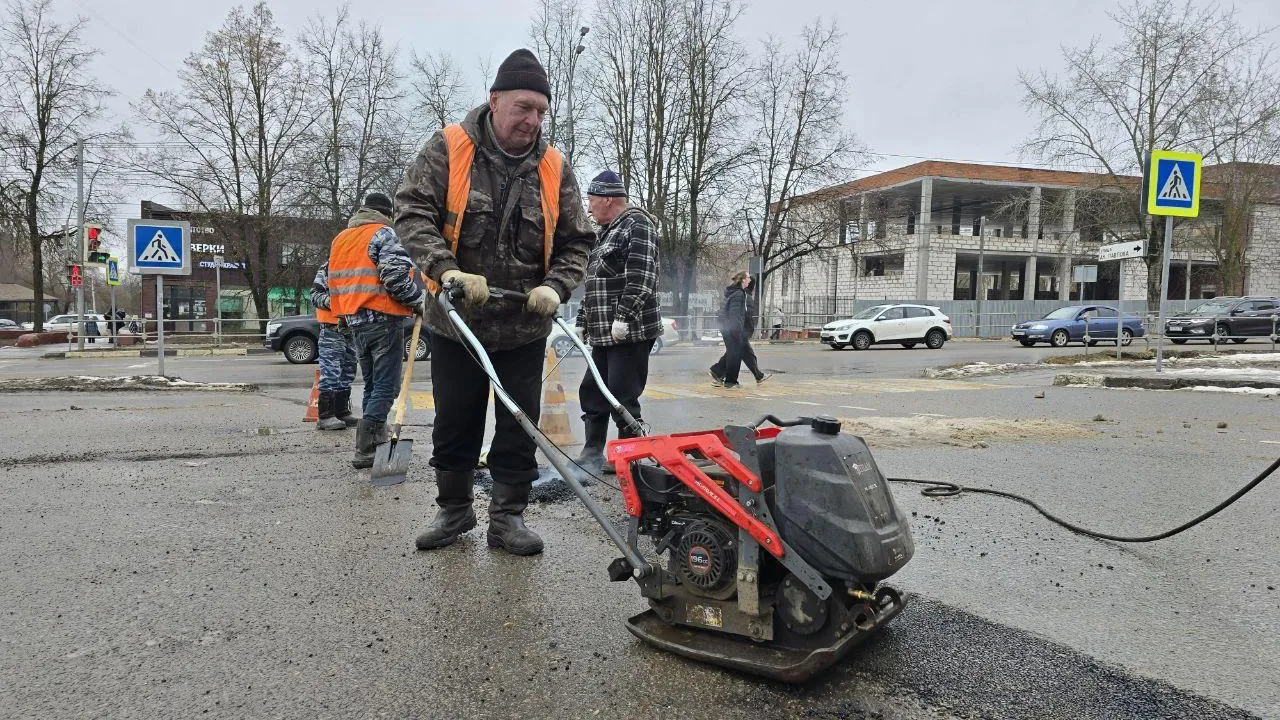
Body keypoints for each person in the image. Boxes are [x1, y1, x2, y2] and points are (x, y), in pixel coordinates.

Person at [396, 49, 595, 557]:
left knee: (518, 425)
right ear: (495, 100)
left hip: (524, 327)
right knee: (456, 418)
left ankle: (507, 518)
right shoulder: (450, 147)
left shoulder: (554, 167)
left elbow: (578, 241)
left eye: (541, 111)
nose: (532, 120)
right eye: (523, 107)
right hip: (457, 323)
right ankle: (455, 509)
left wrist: (557, 285)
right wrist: (446, 270)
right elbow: (412, 212)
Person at [327, 192, 425, 468]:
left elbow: (333, 283)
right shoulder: (383, 234)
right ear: (387, 213)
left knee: (372, 384)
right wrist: (418, 302)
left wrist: (344, 316)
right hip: (383, 319)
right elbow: (394, 278)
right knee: (386, 386)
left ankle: (375, 439)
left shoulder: (341, 240)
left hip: (355, 321)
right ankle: (367, 448)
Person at [573, 170, 661, 476]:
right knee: (593, 391)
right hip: (602, 333)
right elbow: (595, 282)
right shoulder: (605, 232)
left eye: (592, 200)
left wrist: (624, 316)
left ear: (608, 198)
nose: (589, 207)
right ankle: (592, 452)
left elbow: (642, 276)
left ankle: (629, 456)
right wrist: (584, 319)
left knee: (622, 394)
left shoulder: (638, 224)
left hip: (629, 331)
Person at [310, 261, 359, 431]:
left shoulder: (356, 266)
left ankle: (341, 412)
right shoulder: (329, 267)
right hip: (332, 327)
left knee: (348, 370)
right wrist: (337, 304)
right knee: (331, 371)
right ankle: (325, 416)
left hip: (350, 328)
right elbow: (315, 295)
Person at [709, 271, 770, 388]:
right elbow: (737, 315)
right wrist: (739, 331)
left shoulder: (737, 293)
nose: (749, 280)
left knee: (737, 354)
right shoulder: (740, 295)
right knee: (735, 355)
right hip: (735, 330)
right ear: (743, 280)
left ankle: (719, 374)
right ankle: (730, 381)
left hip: (733, 329)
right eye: (748, 278)